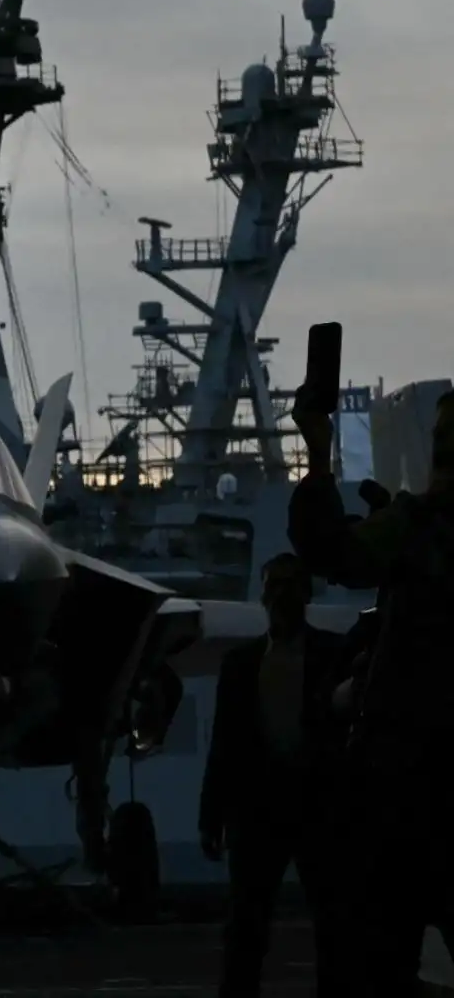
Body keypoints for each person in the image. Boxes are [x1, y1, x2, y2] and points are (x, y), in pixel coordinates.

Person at [289, 391, 454, 996]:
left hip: (401, 780)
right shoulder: (413, 529)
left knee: (377, 959)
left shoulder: (416, 528)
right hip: (405, 777)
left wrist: (316, 451)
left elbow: (335, 552)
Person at [197, 552, 346, 996]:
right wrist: (211, 815)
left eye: (289, 584)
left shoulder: (330, 656)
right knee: (248, 926)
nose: (282, 595)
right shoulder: (243, 665)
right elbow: (224, 745)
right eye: (275, 585)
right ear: (264, 596)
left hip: (309, 809)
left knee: (326, 927)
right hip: (266, 811)